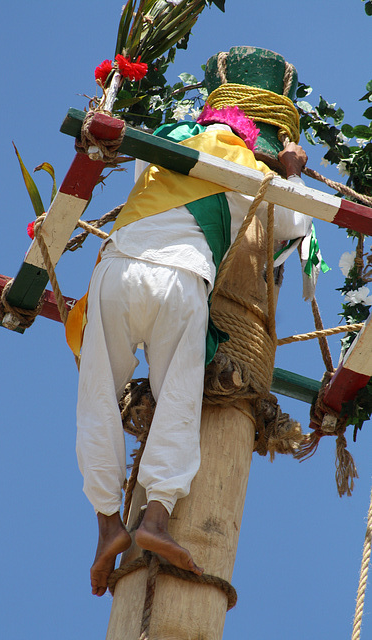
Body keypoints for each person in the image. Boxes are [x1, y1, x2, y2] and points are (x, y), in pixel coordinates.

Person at [68, 104, 310, 597]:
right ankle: (155, 518)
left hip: (117, 272)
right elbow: (294, 225)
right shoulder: (250, 169)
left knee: (97, 398)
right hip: (180, 279)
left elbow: (139, 170)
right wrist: (290, 172)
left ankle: (108, 525)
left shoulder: (163, 141)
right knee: (178, 399)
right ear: (248, 141)